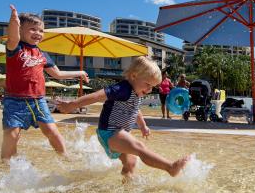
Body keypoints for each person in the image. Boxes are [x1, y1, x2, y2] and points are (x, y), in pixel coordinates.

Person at [58, 56, 191, 180]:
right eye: (147, 84)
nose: (150, 90)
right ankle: (170, 167)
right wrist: (71, 105)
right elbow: (97, 96)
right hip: (109, 133)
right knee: (139, 147)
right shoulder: (122, 89)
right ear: (134, 76)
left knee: (131, 164)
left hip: (119, 134)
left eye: (152, 86)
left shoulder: (136, 92)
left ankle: (127, 186)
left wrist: (143, 125)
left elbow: (135, 109)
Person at [1, 5, 89, 160]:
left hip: (38, 100)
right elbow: (13, 37)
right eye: (33, 29)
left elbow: (58, 74)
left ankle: (65, 156)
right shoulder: (16, 48)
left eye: (41, 31)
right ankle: (6, 163)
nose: (38, 33)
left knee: (51, 130)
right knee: (12, 135)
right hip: (14, 101)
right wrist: (14, 20)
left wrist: (80, 72)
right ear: (21, 30)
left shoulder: (42, 54)